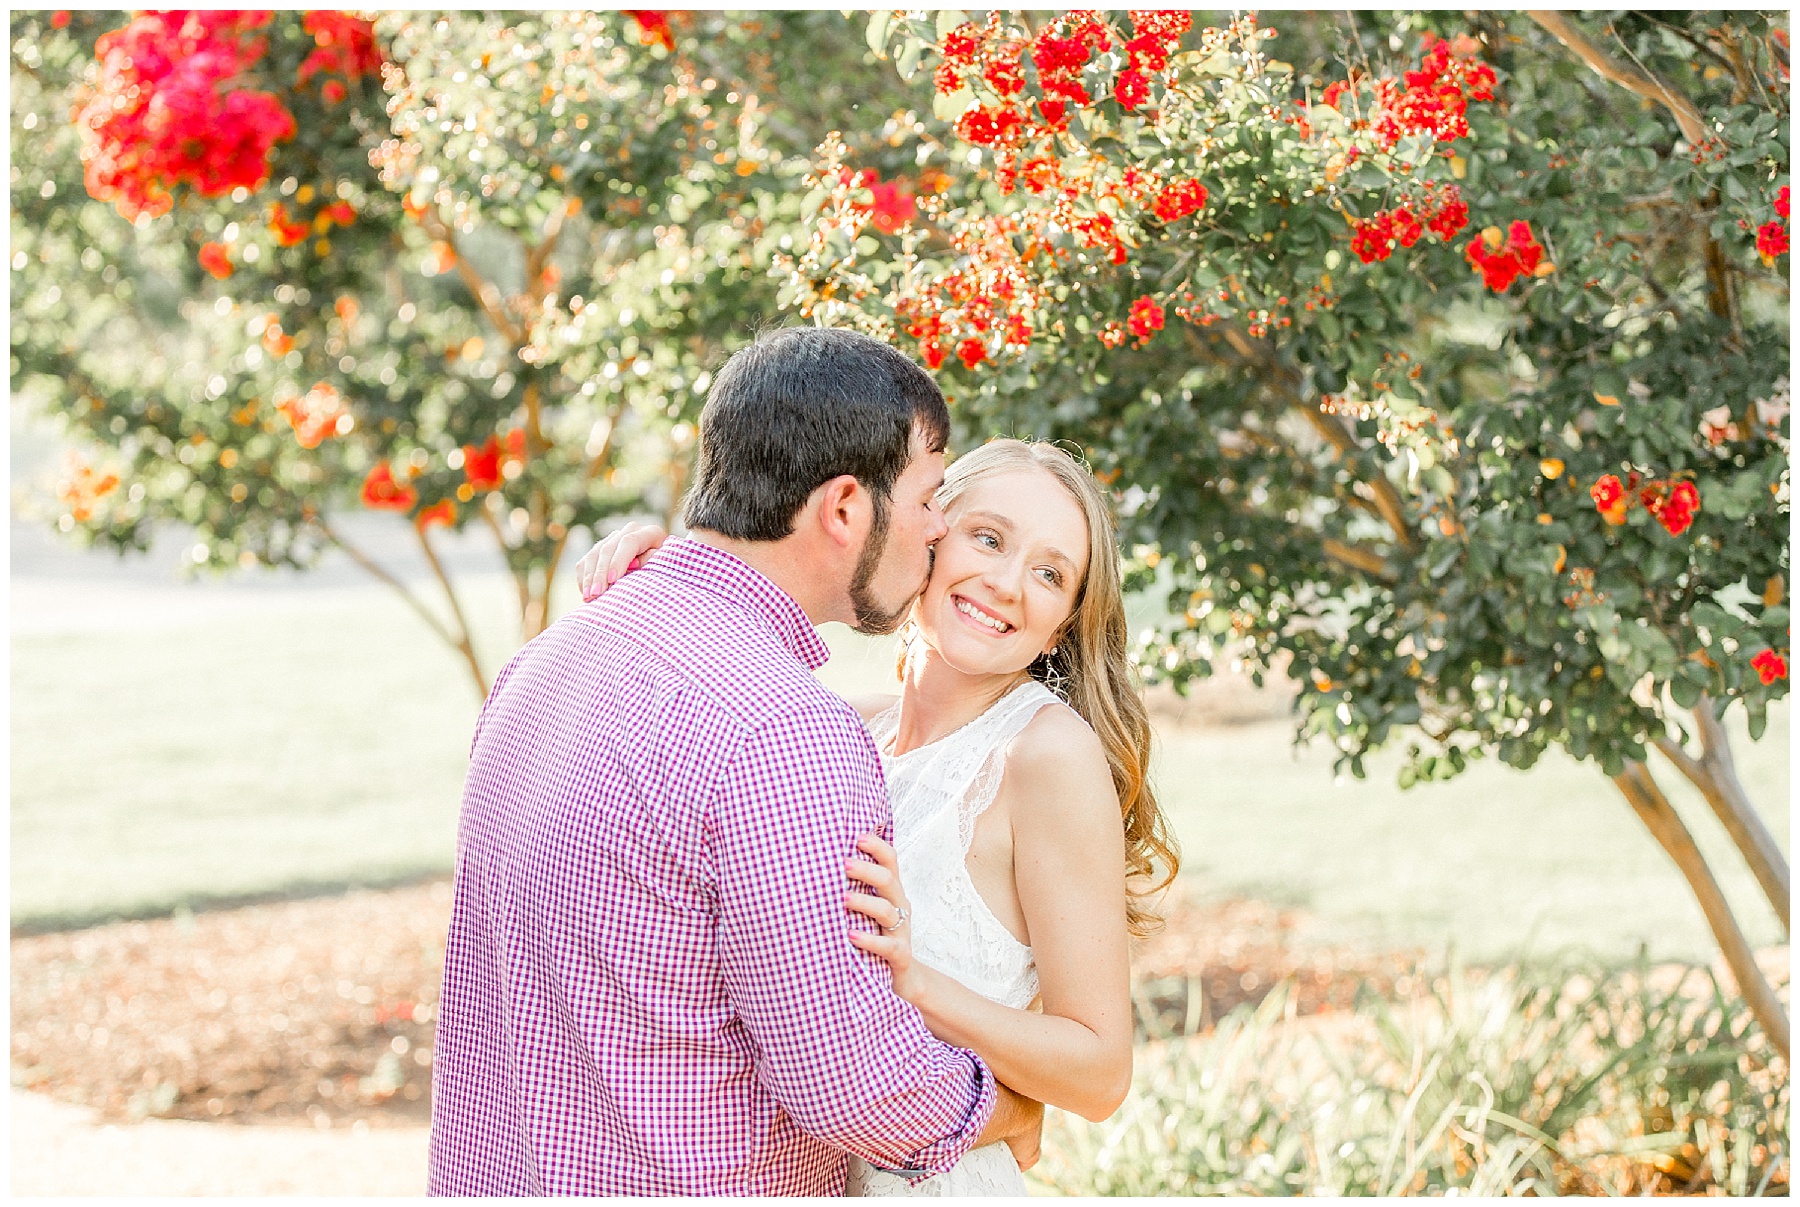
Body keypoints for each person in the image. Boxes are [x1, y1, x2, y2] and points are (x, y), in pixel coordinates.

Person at [427, 327, 1044, 1196]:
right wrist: (1009, 1110)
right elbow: (850, 1078)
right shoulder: (784, 732)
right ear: (843, 509)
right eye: (928, 496)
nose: (939, 529)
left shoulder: (547, 659)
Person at [578, 436, 1180, 1196]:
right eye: (988, 538)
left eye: (1050, 573)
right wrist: (665, 573)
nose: (1005, 583)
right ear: (926, 534)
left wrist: (916, 981)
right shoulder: (842, 729)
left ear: (1061, 624)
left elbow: (1099, 1071)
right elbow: (714, 704)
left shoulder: (1046, 756)